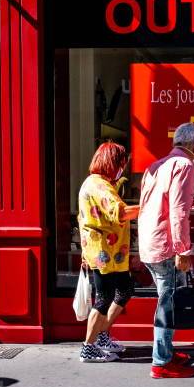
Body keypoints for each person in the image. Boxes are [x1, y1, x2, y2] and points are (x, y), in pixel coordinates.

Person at [138, 122, 194, 379]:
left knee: (167, 300)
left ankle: (166, 351)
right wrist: (183, 250)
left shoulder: (156, 165)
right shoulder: (184, 165)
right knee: (167, 303)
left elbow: (150, 204)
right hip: (167, 245)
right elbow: (178, 213)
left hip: (150, 242)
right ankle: (161, 362)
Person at [78, 141, 139, 362]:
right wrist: (150, 207)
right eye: (122, 163)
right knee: (103, 298)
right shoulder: (98, 185)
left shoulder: (98, 183)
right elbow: (119, 212)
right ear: (112, 162)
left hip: (112, 252)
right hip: (104, 252)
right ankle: (88, 346)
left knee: (124, 289)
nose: (124, 167)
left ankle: (102, 334)